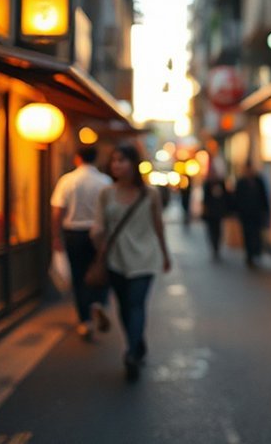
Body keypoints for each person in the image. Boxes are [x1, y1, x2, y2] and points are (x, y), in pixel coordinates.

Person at [92, 144, 172, 381]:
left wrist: (165, 254)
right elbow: (99, 224)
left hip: (145, 257)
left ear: (134, 164)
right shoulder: (106, 194)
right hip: (116, 257)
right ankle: (137, 344)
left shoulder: (151, 194)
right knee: (125, 306)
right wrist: (96, 236)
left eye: (122, 160)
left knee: (136, 303)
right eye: (114, 160)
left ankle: (131, 354)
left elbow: (158, 224)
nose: (117, 164)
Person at [50, 145, 112, 340]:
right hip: (99, 233)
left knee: (78, 276)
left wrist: (56, 237)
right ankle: (98, 302)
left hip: (73, 233)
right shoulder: (105, 181)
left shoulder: (68, 181)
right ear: (96, 158)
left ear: (77, 158)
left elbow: (57, 211)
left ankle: (85, 321)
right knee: (100, 270)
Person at [233, 160, 269, 268]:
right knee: (248, 235)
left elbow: (263, 197)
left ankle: (255, 253)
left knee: (256, 234)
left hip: (256, 213)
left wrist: (265, 210)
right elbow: (237, 198)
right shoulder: (241, 182)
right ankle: (250, 255)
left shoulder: (258, 181)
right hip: (245, 214)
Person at [201, 159, 230, 260]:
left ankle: (217, 246)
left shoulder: (220, 183)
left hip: (218, 211)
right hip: (210, 212)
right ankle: (214, 246)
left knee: (218, 229)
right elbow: (205, 199)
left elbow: (225, 197)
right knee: (211, 230)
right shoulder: (207, 184)